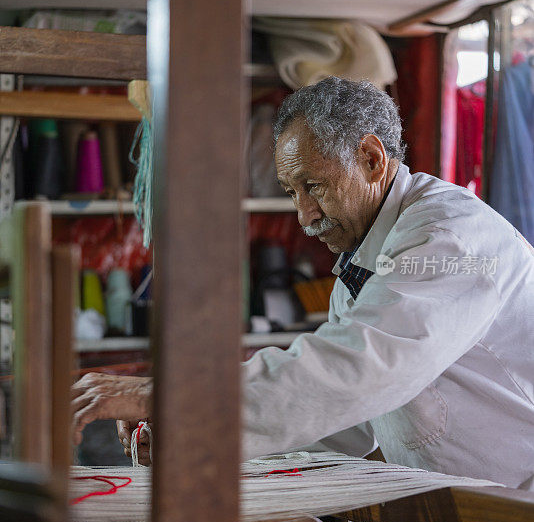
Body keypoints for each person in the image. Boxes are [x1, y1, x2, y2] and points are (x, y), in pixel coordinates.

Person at [72, 77, 534, 489]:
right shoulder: (362, 268)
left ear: (372, 160)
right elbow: (347, 420)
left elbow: (360, 370)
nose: (304, 216)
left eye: (313, 186)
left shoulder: (448, 240)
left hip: (516, 516)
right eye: (293, 193)